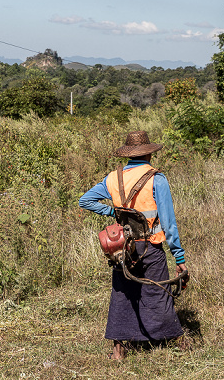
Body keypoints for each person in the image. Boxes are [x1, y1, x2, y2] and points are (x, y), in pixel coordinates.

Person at [78, 131, 189, 360]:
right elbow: (169, 224)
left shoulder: (112, 178)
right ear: (149, 154)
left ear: (129, 155)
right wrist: (179, 258)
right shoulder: (156, 178)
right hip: (151, 248)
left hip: (123, 249)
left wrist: (113, 211)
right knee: (158, 292)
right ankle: (175, 341)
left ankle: (118, 351)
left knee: (123, 295)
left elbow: (85, 200)